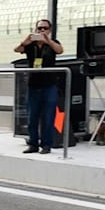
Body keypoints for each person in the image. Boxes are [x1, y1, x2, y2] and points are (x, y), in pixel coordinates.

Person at [14, 20, 64, 154]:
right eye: (39, 28)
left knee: (48, 117)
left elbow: (60, 51)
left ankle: (46, 144)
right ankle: (33, 143)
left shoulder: (53, 43)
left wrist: (48, 41)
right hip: (34, 85)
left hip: (49, 84)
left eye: (45, 28)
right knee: (32, 117)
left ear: (50, 30)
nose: (42, 31)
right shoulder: (31, 45)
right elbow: (17, 50)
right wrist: (26, 41)